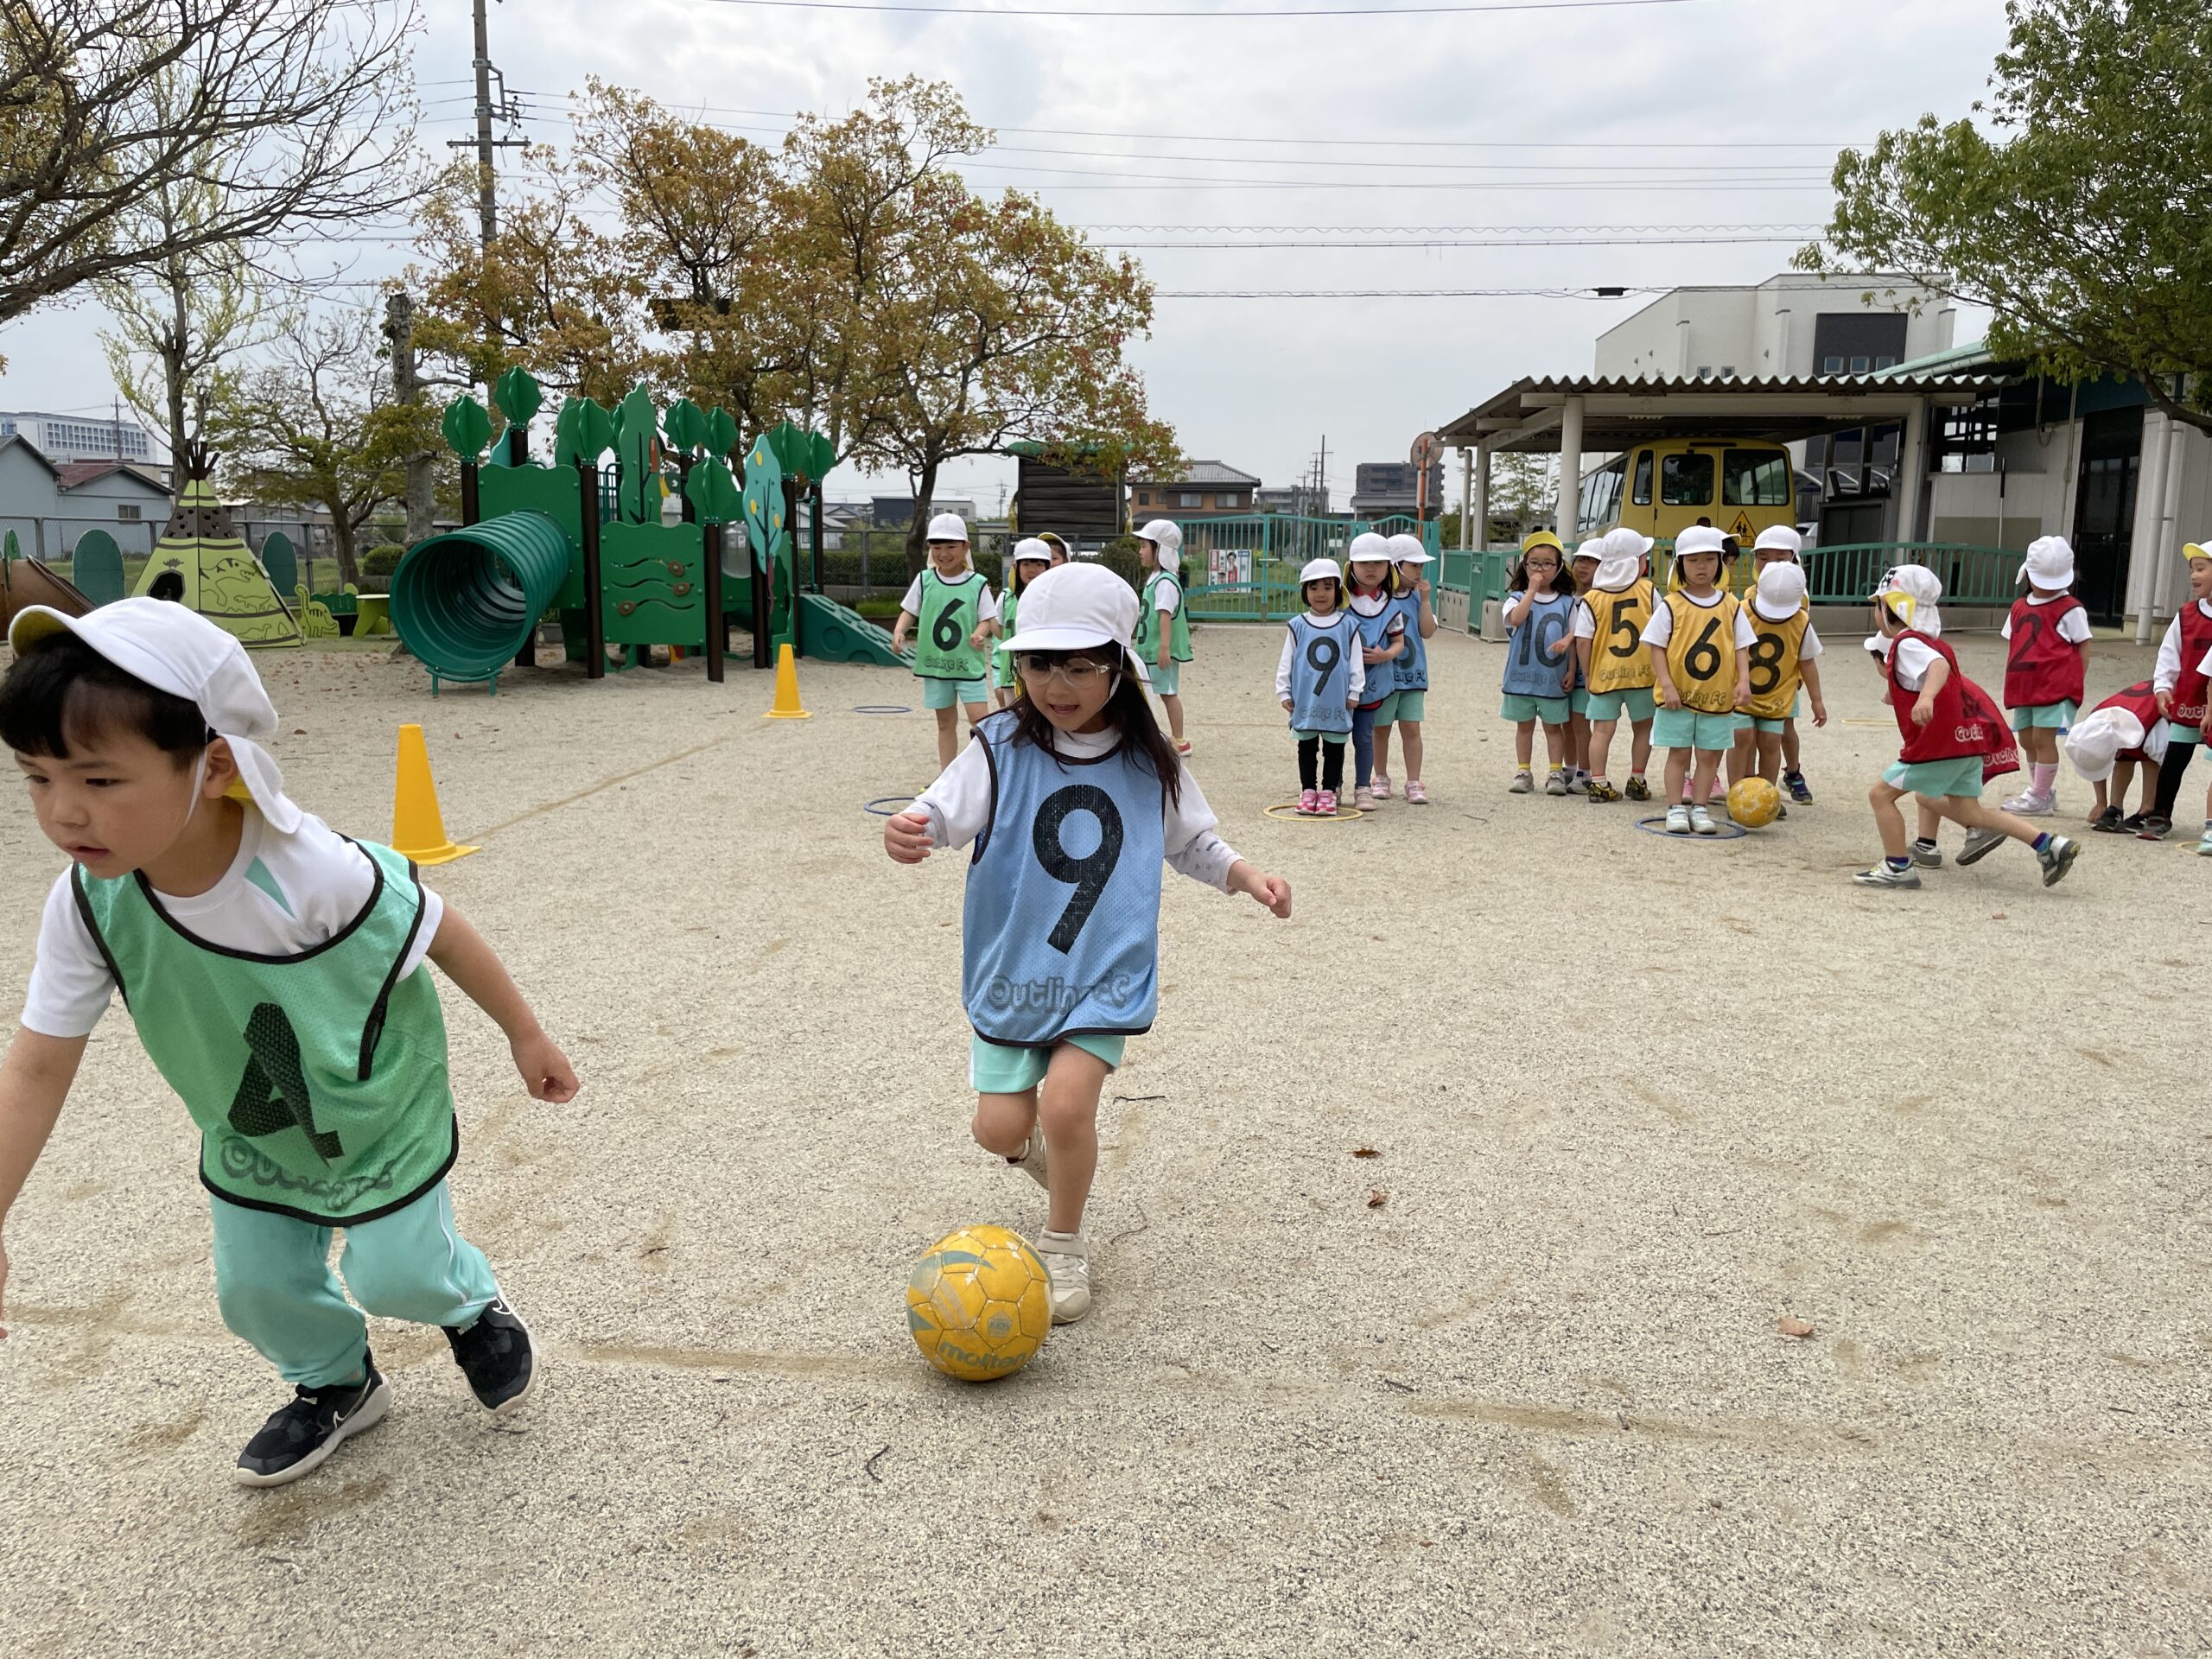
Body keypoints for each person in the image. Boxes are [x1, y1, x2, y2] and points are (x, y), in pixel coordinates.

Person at [0, 600, 578, 1488]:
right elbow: (38, 1064)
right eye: (37, 778)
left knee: (398, 1274)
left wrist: (524, 1033)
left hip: (378, 1113)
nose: (63, 812)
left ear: (214, 765)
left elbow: (438, 926)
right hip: (254, 1129)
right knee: (254, 1291)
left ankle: (468, 1305)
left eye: (100, 779)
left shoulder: (310, 870)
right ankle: (337, 1381)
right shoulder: (88, 903)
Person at [880, 563, 1291, 1323]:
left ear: (1118, 667)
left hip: (1102, 969)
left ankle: (1063, 1241)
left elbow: (1191, 843)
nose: (1056, 685)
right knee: (999, 1130)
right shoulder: (1000, 745)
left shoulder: (1148, 759)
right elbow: (939, 811)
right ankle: (1043, 1159)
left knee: (1068, 1107)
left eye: (1078, 666)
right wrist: (912, 830)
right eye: (1039, 665)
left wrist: (1246, 875)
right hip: (1015, 970)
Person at [1856, 574, 2079, 889]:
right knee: (1970, 811)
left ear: (1892, 607)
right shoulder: (1934, 642)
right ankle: (2049, 845)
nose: (1875, 613)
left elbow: (1938, 667)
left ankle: (1897, 866)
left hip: (1938, 746)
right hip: (1966, 743)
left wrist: (1926, 697)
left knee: (1880, 795)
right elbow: (1936, 670)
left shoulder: (1907, 642)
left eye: (1878, 605)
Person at [1642, 525, 1750, 834]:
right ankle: (1676, 807)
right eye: (1693, 560)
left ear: (1720, 562)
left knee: (1708, 755)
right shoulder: (1671, 604)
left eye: (1709, 559)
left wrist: (1744, 680)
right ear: (1680, 564)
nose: (1701, 567)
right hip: (1678, 696)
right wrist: (1666, 683)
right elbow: (1656, 646)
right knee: (1678, 753)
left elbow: (1742, 646)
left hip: (1718, 697)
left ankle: (1700, 808)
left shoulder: (1731, 604)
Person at [890, 512, 1000, 772]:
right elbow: (909, 610)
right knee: (945, 722)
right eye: (937, 547)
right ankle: (947, 775)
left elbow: (987, 618)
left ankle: (985, 773)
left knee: (979, 721)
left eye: (951, 546)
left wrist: (980, 633)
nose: (944, 553)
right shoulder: (924, 580)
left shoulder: (978, 583)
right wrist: (899, 630)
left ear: (966, 547)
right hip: (936, 667)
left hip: (968, 666)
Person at [1999, 536, 2093, 817]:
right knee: (2026, 739)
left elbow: (2083, 645)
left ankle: (2039, 795)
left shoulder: (2071, 608)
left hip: (2054, 686)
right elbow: (2014, 641)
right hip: (2025, 685)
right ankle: (2041, 790)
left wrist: (2076, 679)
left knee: (2043, 739)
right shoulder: (2019, 606)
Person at [1734, 560, 1828, 810]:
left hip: (1777, 695)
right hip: (1741, 692)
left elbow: (1807, 662)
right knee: (1742, 738)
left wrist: (1817, 700)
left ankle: (1766, 795)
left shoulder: (1801, 621)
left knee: (1770, 741)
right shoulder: (1741, 611)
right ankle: (1739, 792)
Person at [1575, 529, 1656, 804]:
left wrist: (1588, 674)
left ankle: (1598, 782)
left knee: (1602, 730)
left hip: (1604, 675)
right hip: (1642, 675)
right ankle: (1637, 779)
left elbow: (1583, 641)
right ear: (1636, 563)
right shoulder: (1648, 591)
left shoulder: (1592, 598)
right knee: (1643, 728)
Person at [1278, 557, 1361, 816]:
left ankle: (1328, 792)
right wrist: (1284, 690)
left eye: (1327, 587)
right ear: (1305, 592)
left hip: (1337, 699)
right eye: (1313, 587)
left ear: (1338, 591)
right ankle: (1308, 790)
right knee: (1306, 746)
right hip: (1306, 700)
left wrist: (1355, 690)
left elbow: (1355, 661)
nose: (1321, 594)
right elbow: (1287, 660)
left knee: (1335, 746)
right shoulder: (1297, 625)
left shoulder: (1348, 626)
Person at [2140, 540, 2212, 839]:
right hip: (2188, 701)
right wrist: (2162, 687)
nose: (2194, 576)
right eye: (2192, 570)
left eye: (2201, 568)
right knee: (2174, 761)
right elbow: (2169, 654)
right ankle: (2160, 815)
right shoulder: (2186, 614)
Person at [1501, 531, 1576, 797]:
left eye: (1547, 564)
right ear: (1524, 565)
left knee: (1553, 728)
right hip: (1521, 677)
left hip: (1552, 678)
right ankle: (1524, 771)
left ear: (1559, 567)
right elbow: (1516, 619)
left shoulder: (1567, 602)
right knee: (1524, 727)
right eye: (1534, 563)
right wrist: (1531, 591)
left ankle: (1555, 772)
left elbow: (1574, 636)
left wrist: (1571, 669)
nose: (1540, 569)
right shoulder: (1515, 597)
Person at [1751, 526, 1818, 803]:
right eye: (1763, 557)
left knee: (1784, 730)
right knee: (1749, 734)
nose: (1770, 564)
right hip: (1753, 677)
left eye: (1780, 558)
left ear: (1794, 559)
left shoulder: (1797, 595)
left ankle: (1792, 772)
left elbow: (1801, 645)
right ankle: (1751, 787)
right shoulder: (1751, 594)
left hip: (1785, 678)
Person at [1370, 532, 1437, 805]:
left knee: (1411, 728)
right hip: (1384, 676)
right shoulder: (1378, 598)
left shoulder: (1416, 598)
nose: (1419, 571)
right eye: (1414, 565)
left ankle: (1414, 781)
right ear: (1395, 566)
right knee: (1380, 728)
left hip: (1413, 676)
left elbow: (1427, 631)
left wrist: (1425, 601)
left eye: (1421, 566)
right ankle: (1380, 777)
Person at [1345, 533, 1405, 810]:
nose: (1371, 569)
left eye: (1379, 563)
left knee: (1364, 737)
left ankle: (1363, 787)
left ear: (1388, 568)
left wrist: (1385, 655)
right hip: (1341, 683)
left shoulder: (1391, 606)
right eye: (1364, 563)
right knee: (1335, 737)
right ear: (1351, 566)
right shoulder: (1340, 601)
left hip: (1373, 682)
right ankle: (1331, 786)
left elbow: (1399, 643)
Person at [1133, 519, 1193, 756]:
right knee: (1145, 693)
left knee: (1168, 693)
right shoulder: (1156, 578)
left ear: (1159, 549)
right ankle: (1146, 737)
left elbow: (1165, 615)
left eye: (1144, 546)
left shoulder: (1166, 582)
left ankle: (1180, 741)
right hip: (1149, 650)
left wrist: (1164, 648)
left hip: (1159, 652)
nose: (1140, 551)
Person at [2064, 688, 2164, 832]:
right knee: (2125, 756)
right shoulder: (2093, 726)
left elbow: (2164, 764)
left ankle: (2147, 809)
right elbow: (2096, 760)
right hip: (2135, 713)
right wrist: (2101, 803)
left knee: (2150, 759)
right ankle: (2115, 807)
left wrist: (2160, 808)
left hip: (2159, 709)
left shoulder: (2154, 736)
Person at [1562, 538, 1604, 791]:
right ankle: (1569, 767)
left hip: (1588, 668)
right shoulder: (1568, 597)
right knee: (1565, 721)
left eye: (1591, 562)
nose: (1583, 567)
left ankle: (1585, 771)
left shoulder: (1600, 599)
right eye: (1580, 560)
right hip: (1565, 667)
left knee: (1580, 721)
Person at [993, 538, 1054, 710]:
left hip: (1041, 667)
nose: (1032, 570)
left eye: (1039, 564)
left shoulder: (1052, 598)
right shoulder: (1006, 597)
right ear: (1016, 567)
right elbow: (999, 632)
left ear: (1048, 568)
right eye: (1026, 564)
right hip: (1010, 671)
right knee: (1014, 716)